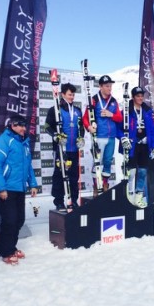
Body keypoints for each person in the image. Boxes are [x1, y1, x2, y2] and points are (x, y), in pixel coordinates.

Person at [0, 115, 38, 265]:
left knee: (19, 220)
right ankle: (6, 252)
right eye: (21, 126)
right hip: (7, 189)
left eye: (25, 126)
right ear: (13, 125)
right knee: (9, 221)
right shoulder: (3, 141)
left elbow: (28, 165)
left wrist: (33, 184)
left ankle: (11, 246)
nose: (24, 129)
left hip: (20, 188)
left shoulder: (24, 143)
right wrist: (1, 188)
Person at [45, 82, 85, 210]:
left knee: (74, 176)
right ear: (62, 94)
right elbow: (46, 127)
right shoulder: (55, 109)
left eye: (73, 95)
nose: (72, 97)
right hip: (62, 149)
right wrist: (56, 135)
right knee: (59, 175)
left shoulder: (78, 110)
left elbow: (81, 128)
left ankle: (73, 200)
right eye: (69, 94)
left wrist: (81, 137)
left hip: (74, 149)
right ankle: (59, 201)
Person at [118, 86, 154, 208]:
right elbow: (118, 128)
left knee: (142, 172)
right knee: (131, 172)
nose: (140, 98)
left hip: (145, 145)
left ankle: (138, 197)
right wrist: (123, 138)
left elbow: (152, 129)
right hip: (132, 145)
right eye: (138, 96)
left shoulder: (147, 110)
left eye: (142, 96)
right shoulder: (126, 110)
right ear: (133, 97)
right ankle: (129, 196)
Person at [83, 75, 122, 196]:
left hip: (111, 137)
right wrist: (88, 127)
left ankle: (105, 184)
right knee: (97, 162)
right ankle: (96, 186)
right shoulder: (94, 100)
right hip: (99, 136)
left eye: (110, 86)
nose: (109, 88)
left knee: (108, 162)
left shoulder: (113, 101)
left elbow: (120, 118)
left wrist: (111, 114)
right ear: (100, 87)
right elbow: (85, 118)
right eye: (107, 86)